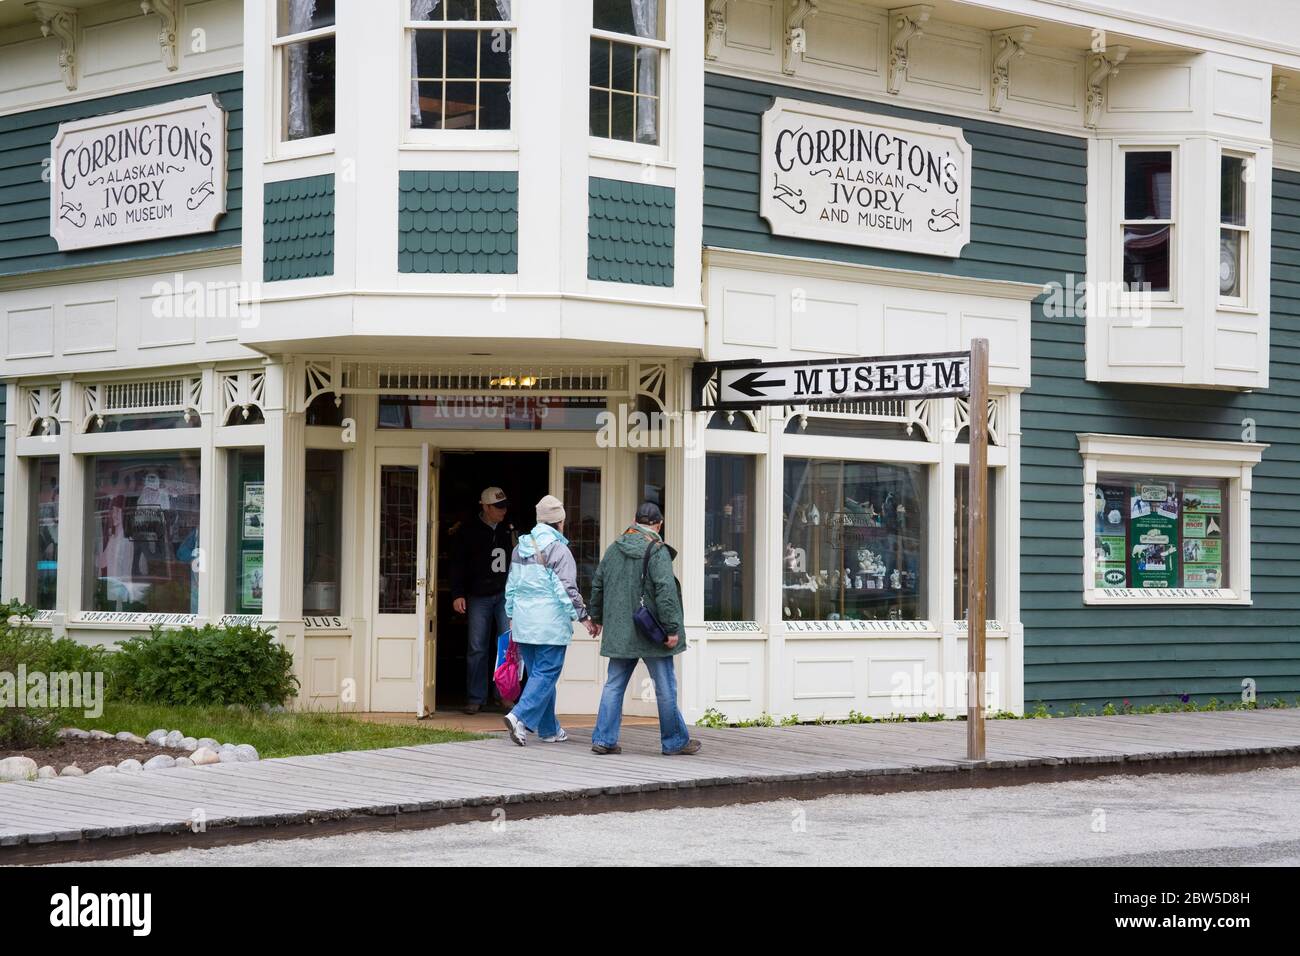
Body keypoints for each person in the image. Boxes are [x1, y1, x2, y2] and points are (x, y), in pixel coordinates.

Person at [588, 502, 701, 756]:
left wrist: (596, 617)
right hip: (651, 631)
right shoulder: (657, 550)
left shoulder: (614, 549)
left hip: (620, 630)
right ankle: (673, 742)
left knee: (614, 684)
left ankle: (604, 739)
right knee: (665, 687)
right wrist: (672, 629)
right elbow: (665, 592)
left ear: (634, 520)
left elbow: (598, 585)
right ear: (659, 524)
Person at [501, 495, 596, 746]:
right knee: (546, 674)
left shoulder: (519, 548)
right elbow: (567, 590)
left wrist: (511, 616)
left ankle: (549, 730)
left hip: (523, 623)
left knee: (539, 678)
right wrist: (584, 617)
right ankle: (517, 715)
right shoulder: (558, 549)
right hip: (549, 625)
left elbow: (510, 587)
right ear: (560, 522)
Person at [450, 486, 514, 714]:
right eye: (498, 507)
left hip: (505, 594)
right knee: (477, 647)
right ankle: (476, 697)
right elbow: (457, 564)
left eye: (504, 506)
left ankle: (505, 695)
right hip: (478, 595)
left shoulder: (509, 529)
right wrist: (457, 593)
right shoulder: (467, 531)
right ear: (485, 507)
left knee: (507, 647)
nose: (503, 511)